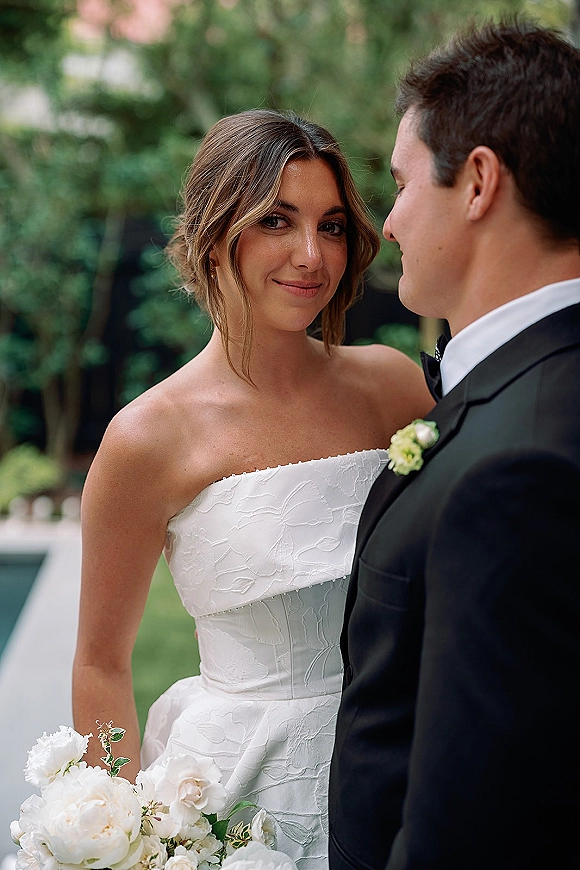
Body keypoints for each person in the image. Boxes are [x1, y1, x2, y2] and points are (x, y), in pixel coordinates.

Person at [73, 109, 431, 869]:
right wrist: (115, 836)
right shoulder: (148, 439)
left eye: (332, 226)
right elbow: (101, 662)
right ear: (214, 231)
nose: (311, 255)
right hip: (244, 796)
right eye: (277, 220)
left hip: (406, 757)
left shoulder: (392, 387)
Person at [328, 19, 580, 870]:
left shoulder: (521, 471)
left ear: (477, 182)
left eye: (399, 184)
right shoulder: (522, 389)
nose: (387, 222)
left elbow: (477, 833)